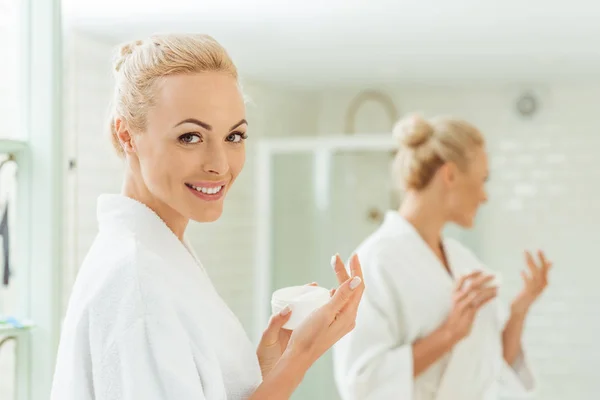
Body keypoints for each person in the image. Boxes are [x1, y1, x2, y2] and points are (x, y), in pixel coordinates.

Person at [50, 33, 365, 400]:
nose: (219, 165)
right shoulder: (138, 280)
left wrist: (267, 369)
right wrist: (301, 357)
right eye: (190, 137)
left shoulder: (160, 257)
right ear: (127, 135)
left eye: (234, 136)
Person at [333, 115, 551, 400]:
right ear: (449, 175)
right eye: (482, 179)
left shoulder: (463, 260)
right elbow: (360, 382)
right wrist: (449, 333)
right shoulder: (375, 261)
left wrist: (520, 307)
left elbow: (494, 363)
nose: (485, 196)